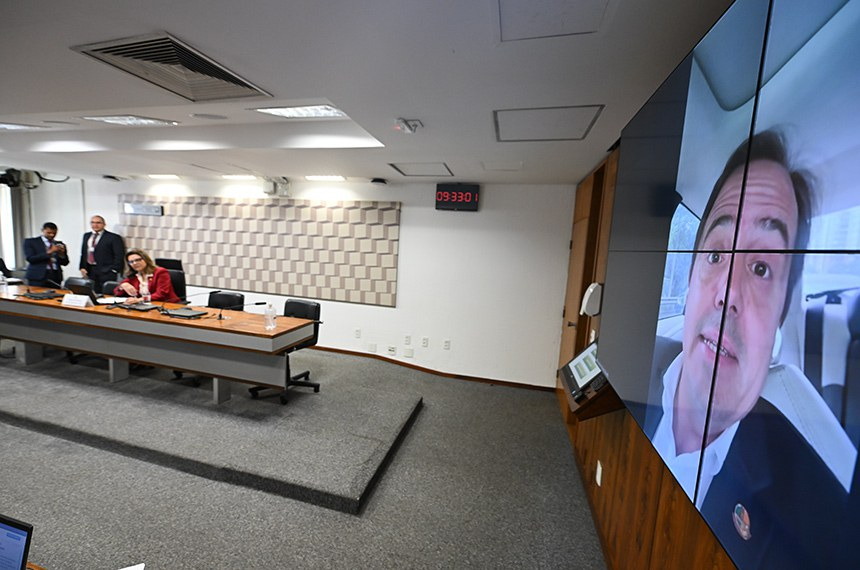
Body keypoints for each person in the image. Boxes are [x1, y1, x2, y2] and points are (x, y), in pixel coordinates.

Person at [646, 130, 849, 569]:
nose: (728, 293)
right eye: (716, 255)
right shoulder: (632, 368)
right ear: (690, 276)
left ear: (780, 315)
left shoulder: (824, 528)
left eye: (760, 267)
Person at [113, 249, 180, 303]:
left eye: (138, 260)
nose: (135, 263)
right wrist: (122, 286)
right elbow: (116, 293)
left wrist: (140, 299)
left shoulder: (160, 272)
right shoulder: (133, 275)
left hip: (166, 305)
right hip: (144, 306)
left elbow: (161, 294)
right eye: (131, 262)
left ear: (146, 259)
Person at [79, 214, 125, 292]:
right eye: (93, 222)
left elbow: (119, 255)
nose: (95, 225)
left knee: (106, 292)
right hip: (90, 270)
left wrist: (114, 270)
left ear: (104, 224)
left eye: (98, 222)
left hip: (107, 271)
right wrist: (82, 267)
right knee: (92, 291)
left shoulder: (113, 237)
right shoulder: (86, 236)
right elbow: (84, 253)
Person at [23, 222, 69, 286]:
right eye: (49, 233)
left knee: (56, 292)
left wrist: (62, 254)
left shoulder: (59, 244)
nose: (52, 235)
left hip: (55, 275)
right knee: (37, 292)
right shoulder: (31, 242)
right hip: (37, 276)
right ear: (42, 230)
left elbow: (65, 263)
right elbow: (30, 259)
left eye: (54, 233)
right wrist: (50, 252)